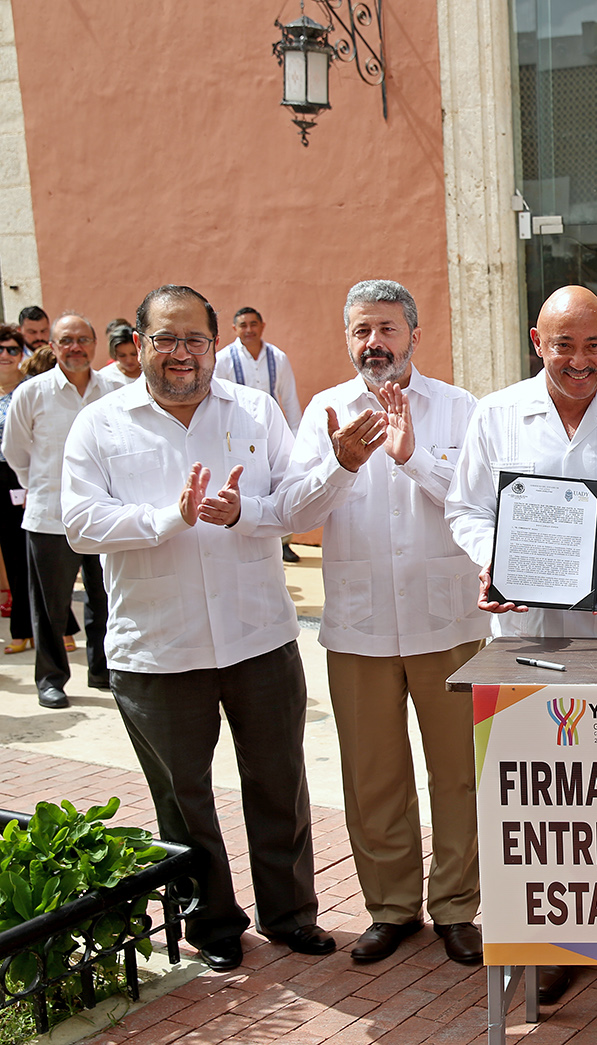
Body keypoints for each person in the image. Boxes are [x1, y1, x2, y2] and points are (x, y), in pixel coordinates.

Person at [60, 284, 380, 973]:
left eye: (194, 340)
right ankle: (212, 923)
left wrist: (340, 466)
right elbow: (80, 523)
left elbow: (293, 507)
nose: (181, 353)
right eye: (165, 339)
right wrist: (168, 517)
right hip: (156, 648)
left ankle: (291, 913)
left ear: (214, 346)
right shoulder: (102, 422)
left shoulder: (257, 411)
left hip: (257, 635)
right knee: (184, 798)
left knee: (278, 781)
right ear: (139, 345)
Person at [446, 284, 597, 1003]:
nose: (579, 361)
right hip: (526, 635)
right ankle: (560, 940)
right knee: (541, 795)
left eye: (593, 344)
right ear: (536, 342)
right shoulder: (496, 414)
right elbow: (467, 507)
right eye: (563, 343)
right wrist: (495, 562)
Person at [291, 280, 489, 966]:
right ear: (347, 339)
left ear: (413, 333)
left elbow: (479, 501)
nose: (372, 342)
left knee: (460, 773)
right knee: (373, 774)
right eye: (359, 331)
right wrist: (342, 463)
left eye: (385, 328)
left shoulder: (461, 410)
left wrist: (411, 457)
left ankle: (458, 906)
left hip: (450, 622)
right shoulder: (324, 410)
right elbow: (292, 512)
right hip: (360, 624)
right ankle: (391, 907)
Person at [1, 311, 115, 708]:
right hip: (50, 516)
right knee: (50, 606)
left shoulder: (113, 390)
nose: (75, 347)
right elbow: (13, 451)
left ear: (94, 345)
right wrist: (40, 487)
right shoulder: (31, 393)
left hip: (104, 515)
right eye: (66, 340)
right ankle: (51, 679)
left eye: (82, 339)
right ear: (51, 346)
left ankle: (102, 670)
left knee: (106, 599)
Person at [214, 306, 303, 562]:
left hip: (271, 432)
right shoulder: (224, 359)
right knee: (244, 483)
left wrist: (295, 437)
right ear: (234, 329)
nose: (249, 330)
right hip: (236, 436)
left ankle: (282, 541)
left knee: (277, 483)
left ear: (262, 326)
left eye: (253, 324)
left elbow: (290, 399)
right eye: (243, 325)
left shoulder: (278, 358)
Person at [0, 325, 34, 655]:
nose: (6, 355)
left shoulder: (28, 392)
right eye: (0, 349)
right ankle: (21, 629)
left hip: (18, 478)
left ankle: (32, 628)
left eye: (12, 349)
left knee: (23, 554)